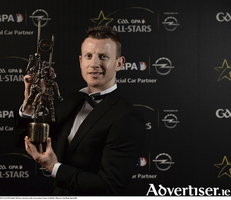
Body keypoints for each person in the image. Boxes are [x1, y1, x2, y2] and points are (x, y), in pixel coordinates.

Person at [13, 25, 146, 195]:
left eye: (103, 57)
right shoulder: (73, 100)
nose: (94, 64)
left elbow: (109, 187)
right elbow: (22, 139)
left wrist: (54, 167)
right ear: (80, 61)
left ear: (119, 64)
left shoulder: (127, 117)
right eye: (88, 56)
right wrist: (29, 105)